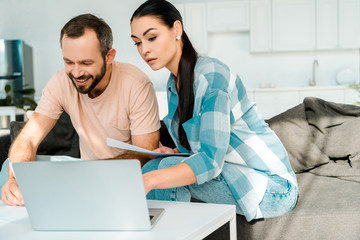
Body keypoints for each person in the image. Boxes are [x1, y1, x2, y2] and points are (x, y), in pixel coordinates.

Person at [130, 0, 298, 221]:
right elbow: (200, 151)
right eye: (137, 43)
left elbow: (210, 163)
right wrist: (174, 153)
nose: (144, 49)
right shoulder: (174, 85)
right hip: (233, 173)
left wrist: (151, 180)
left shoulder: (212, 76)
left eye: (151, 38)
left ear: (176, 30)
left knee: (157, 172)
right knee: (156, 164)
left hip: (274, 187)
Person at [1, 14, 160, 206]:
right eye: (69, 62)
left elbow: (144, 154)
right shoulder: (61, 81)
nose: (76, 73)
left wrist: (83, 174)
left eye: (86, 63)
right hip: (85, 176)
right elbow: (28, 139)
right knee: (8, 168)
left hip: (126, 180)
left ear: (109, 56)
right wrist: (16, 179)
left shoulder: (136, 84)